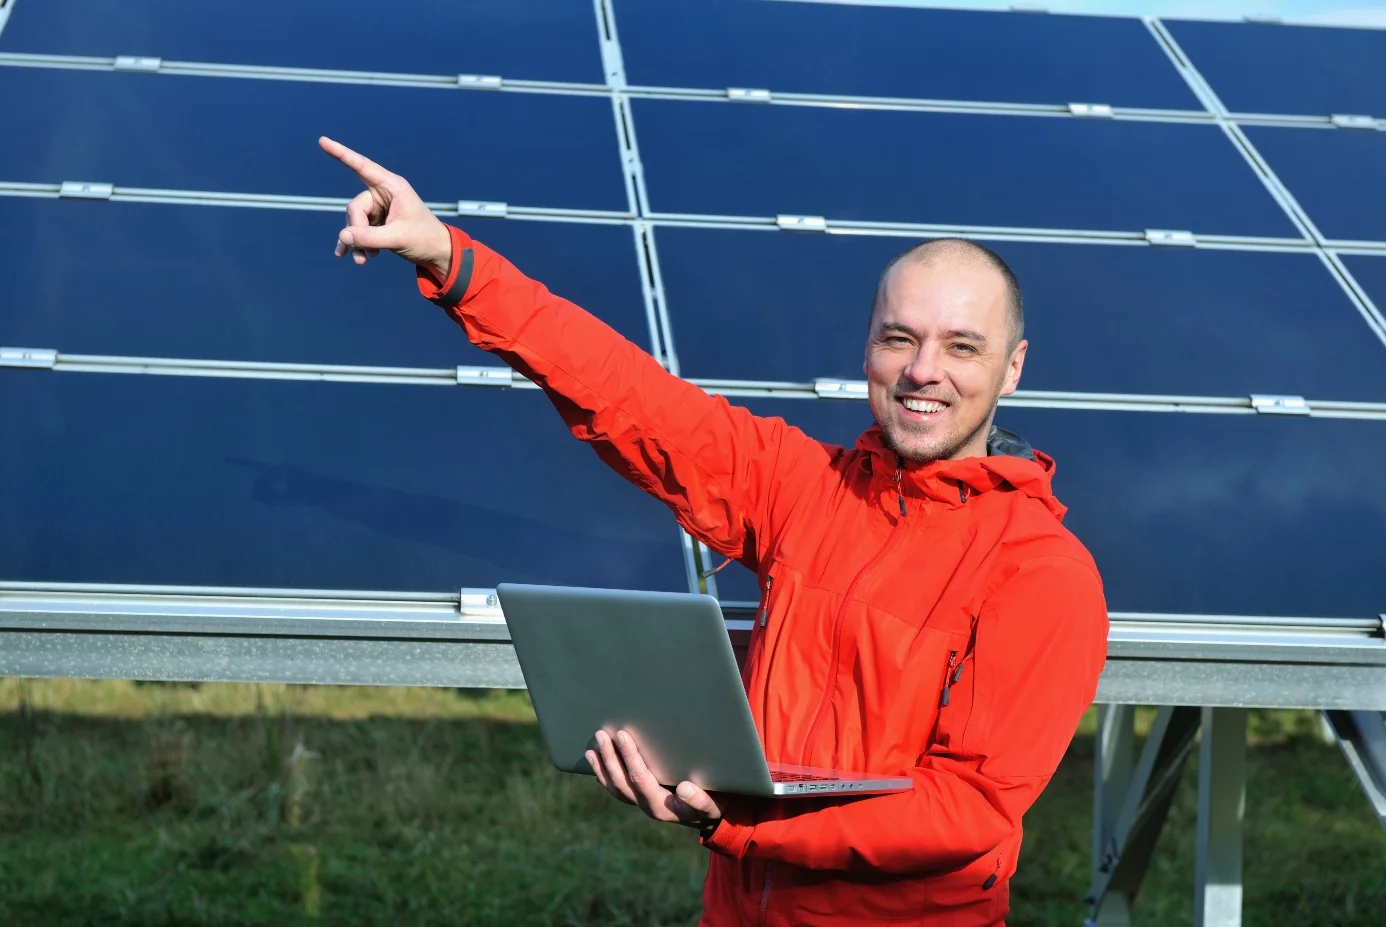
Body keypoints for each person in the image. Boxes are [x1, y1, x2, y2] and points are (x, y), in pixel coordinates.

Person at [320, 136, 1108, 927]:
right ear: (868, 344)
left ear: (1012, 368)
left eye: (962, 347)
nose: (922, 370)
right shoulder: (808, 487)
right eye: (899, 337)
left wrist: (737, 823)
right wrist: (452, 259)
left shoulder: (1040, 573)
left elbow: (967, 809)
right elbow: (632, 400)